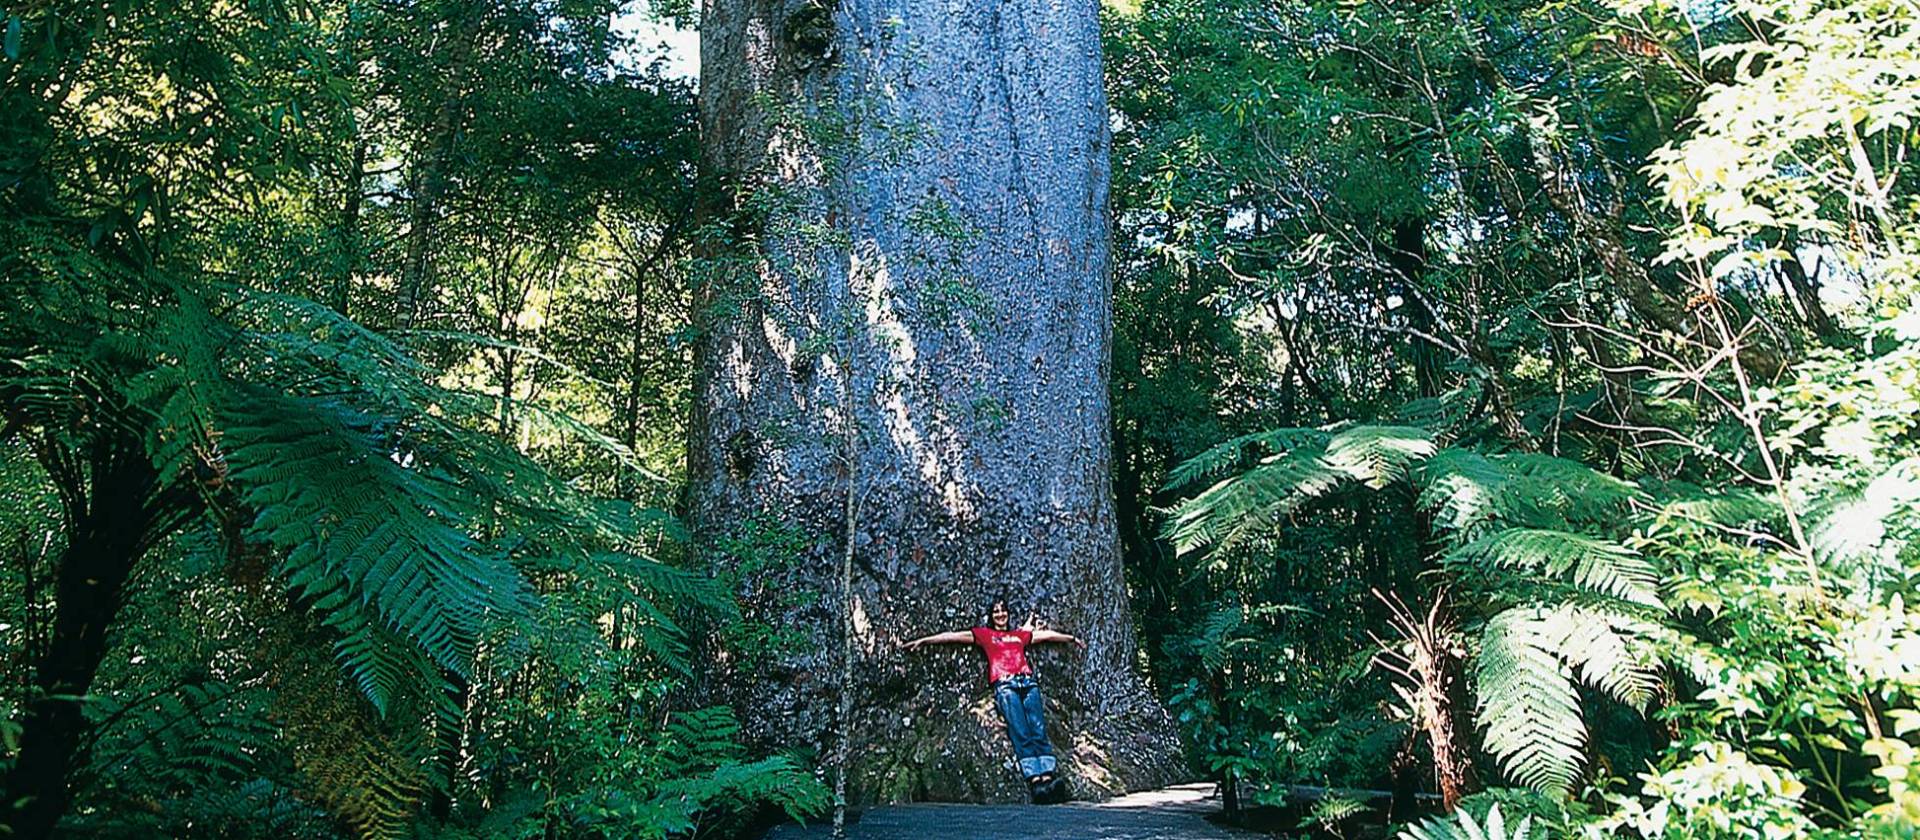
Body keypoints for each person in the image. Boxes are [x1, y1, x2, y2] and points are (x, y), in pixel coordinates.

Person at [901, 598, 1086, 790]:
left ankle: (1048, 775)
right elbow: (953, 636)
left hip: (1028, 683)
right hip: (1006, 685)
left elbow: (1046, 636)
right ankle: (1034, 778)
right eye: (996, 611)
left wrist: (1071, 638)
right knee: (1020, 730)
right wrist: (924, 640)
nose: (1000, 614)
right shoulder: (985, 635)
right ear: (991, 616)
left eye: (1003, 610)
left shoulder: (1019, 635)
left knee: (1037, 727)